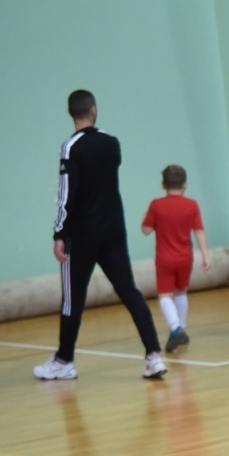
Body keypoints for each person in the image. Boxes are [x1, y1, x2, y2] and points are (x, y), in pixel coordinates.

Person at [38, 89, 166, 381]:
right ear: (93, 110)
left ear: (72, 113)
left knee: (73, 299)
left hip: (81, 236)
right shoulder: (112, 143)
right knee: (130, 292)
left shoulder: (70, 147)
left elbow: (66, 194)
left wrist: (59, 233)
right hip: (113, 232)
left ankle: (64, 361)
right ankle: (153, 356)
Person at [140, 164, 210, 352]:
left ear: (163, 184)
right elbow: (199, 231)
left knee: (164, 295)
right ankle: (183, 330)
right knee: (181, 292)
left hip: (165, 258)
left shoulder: (156, 205)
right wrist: (205, 254)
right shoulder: (192, 204)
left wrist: (145, 218)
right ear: (185, 184)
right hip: (185, 257)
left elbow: (146, 230)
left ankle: (175, 327)